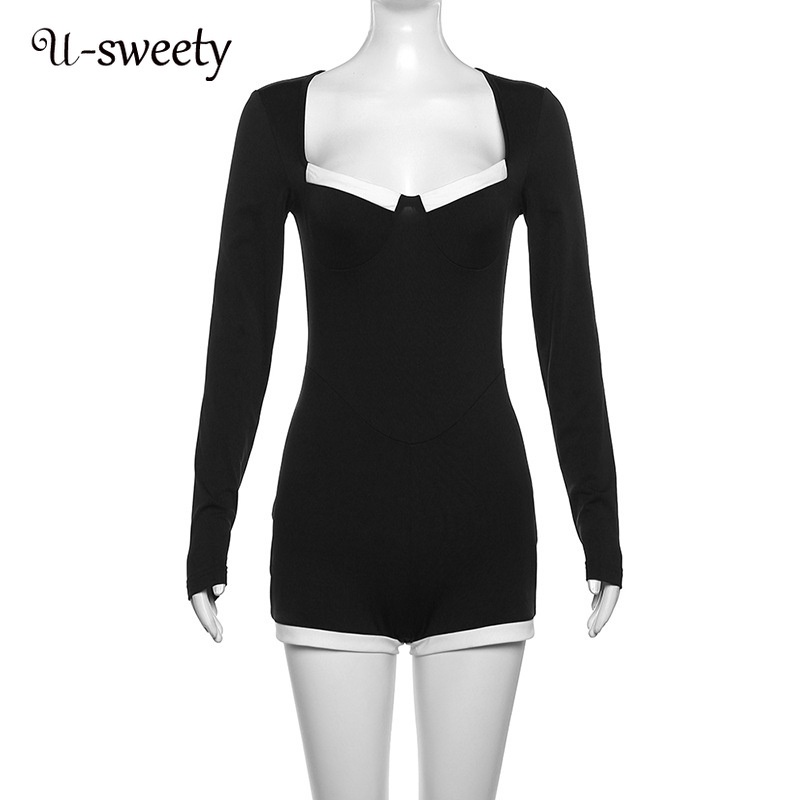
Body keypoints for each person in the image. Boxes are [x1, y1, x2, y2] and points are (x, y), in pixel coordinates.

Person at [186, 2, 623, 797]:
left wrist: (600, 525)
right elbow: (240, 334)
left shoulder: (529, 119)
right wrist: (209, 524)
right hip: (329, 530)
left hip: (482, 529)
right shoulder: (280, 118)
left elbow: (567, 334)